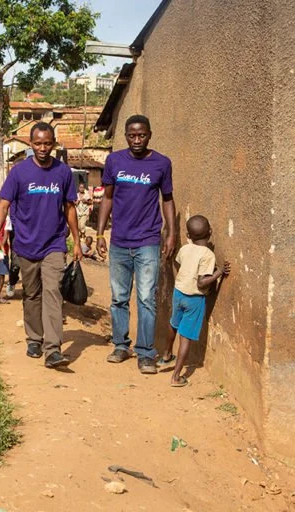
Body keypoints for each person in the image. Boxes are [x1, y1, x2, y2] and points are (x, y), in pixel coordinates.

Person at [0, 122, 82, 369]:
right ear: (31, 144)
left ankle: (53, 350)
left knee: (53, 292)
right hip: (25, 244)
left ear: (54, 144)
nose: (43, 148)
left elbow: (69, 208)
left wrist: (76, 240)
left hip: (54, 243)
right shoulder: (19, 173)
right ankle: (34, 338)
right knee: (32, 294)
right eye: (38, 143)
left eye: (47, 143)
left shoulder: (63, 172)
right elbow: (3, 206)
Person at [96, 114, 176, 374]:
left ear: (149, 135)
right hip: (119, 241)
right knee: (119, 298)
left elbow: (167, 199)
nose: (137, 140)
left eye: (142, 135)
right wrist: (100, 234)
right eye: (132, 135)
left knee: (146, 298)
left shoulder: (161, 163)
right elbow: (107, 198)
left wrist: (171, 232)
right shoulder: (114, 161)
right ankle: (121, 346)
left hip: (148, 241)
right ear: (126, 136)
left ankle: (145, 353)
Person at [160, 216, 230, 386]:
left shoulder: (185, 249)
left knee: (174, 323)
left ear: (188, 235)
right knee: (186, 338)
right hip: (194, 298)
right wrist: (219, 272)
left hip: (179, 292)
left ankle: (166, 355)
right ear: (210, 232)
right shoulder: (208, 255)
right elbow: (201, 282)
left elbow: (179, 264)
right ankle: (176, 377)